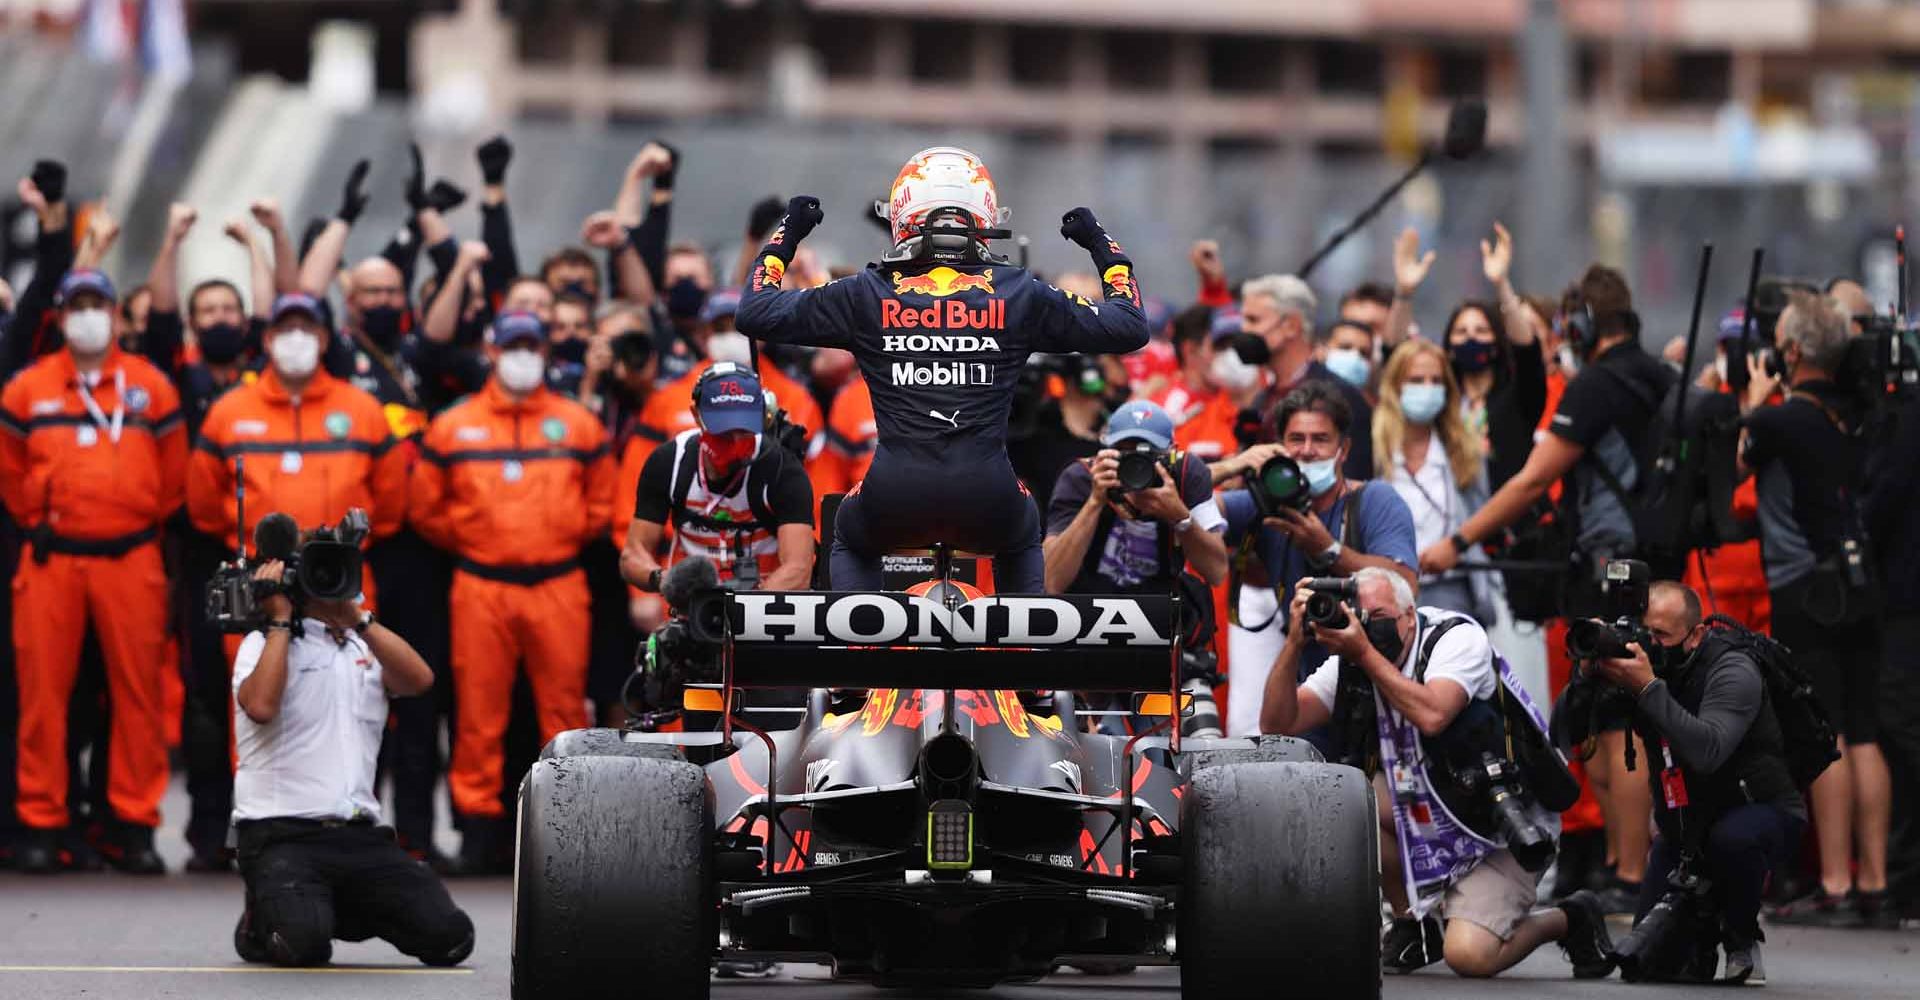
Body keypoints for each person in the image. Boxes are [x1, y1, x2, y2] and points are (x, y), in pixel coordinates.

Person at [735, 147, 1149, 594]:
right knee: (1024, 532)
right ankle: (1022, 653)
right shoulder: (1019, 291)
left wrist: (787, 233)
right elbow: (1129, 324)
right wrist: (1098, 241)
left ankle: (860, 654)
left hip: (894, 494)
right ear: (986, 215)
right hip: (989, 497)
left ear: (901, 215)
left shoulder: (866, 291)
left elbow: (755, 311)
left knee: (849, 536)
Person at [1422, 264, 1670, 911]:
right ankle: (1628, 865)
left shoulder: (1593, 386)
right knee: (1632, 721)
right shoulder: (1660, 377)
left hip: (1606, 568)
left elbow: (1533, 481)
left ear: (1585, 323)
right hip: (1654, 565)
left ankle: (1625, 870)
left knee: (1614, 729)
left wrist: (1458, 540)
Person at [1258, 568, 1615, 980]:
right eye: (1362, 616)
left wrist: (1365, 654)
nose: (1369, 628)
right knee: (1341, 798)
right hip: (1427, 805)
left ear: (1409, 615)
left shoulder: (1454, 638)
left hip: (1502, 824)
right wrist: (1293, 642)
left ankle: (1569, 917)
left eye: (1380, 617)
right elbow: (1279, 722)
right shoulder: (1352, 660)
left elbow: (1433, 714)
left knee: (1469, 956)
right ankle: (1416, 923)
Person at [410, 311, 615, 874]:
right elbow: (425, 508)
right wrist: (477, 541)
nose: (523, 354)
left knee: (564, 713)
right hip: (481, 584)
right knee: (478, 714)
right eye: (513, 344)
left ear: (545, 351)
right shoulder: (454, 426)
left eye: (532, 344)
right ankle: (478, 831)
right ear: (493, 351)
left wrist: (563, 535)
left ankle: (572, 831)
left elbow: (602, 503)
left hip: (558, 583)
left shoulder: (577, 424)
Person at [1, 268, 185, 874]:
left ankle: (133, 822)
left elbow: (174, 478)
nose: (87, 315)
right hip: (52, 558)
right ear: (58, 316)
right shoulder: (28, 390)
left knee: (138, 695)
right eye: (76, 304)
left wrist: (128, 518)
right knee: (42, 696)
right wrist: (42, 518)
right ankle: (41, 820)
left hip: (131, 557)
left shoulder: (150, 388)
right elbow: (8, 471)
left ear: (112, 314)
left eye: (97, 304)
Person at [228, 556, 473, 969]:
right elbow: (261, 705)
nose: (331, 588)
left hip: (358, 837)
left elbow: (420, 681)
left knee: (451, 939)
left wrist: (360, 620)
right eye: (319, 578)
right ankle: (262, 918)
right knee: (304, 948)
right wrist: (281, 620)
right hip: (281, 836)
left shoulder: (366, 646)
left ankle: (312, 904)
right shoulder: (263, 643)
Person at [1737, 291, 1893, 928]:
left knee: (1825, 732)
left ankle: (1832, 880)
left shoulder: (1781, 419)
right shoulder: (1861, 414)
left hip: (1806, 589)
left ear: (1793, 351)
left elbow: (1740, 457)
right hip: (1860, 584)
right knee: (1864, 731)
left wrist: (1750, 399)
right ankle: (1874, 882)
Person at [1589, 581, 1807, 984]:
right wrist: (1586, 676)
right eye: (1644, 631)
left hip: (1759, 811)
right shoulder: (1637, 663)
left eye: (1661, 636)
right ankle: (1700, 933)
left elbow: (1708, 752)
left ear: (1697, 635)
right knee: (1647, 967)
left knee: (1732, 840)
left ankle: (1740, 935)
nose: (1649, 644)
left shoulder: (1732, 668)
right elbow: (1561, 734)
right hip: (1685, 831)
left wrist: (1649, 688)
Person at [1212, 381, 1417, 737]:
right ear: (1279, 446)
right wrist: (1234, 465)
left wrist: (1327, 549)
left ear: (1344, 449)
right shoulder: (1270, 506)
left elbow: (1405, 583)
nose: (1307, 451)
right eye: (1296, 439)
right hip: (1309, 683)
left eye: (1320, 440)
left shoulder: (1376, 499)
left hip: (1379, 681)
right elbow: (1190, 504)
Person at [620, 362, 816, 598]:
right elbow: (632, 554)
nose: (734, 441)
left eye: (744, 429)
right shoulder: (669, 463)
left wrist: (743, 612)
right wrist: (664, 579)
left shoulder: (781, 470)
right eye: (722, 432)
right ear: (696, 416)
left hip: (763, 612)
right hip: (691, 609)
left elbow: (799, 568)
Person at [1372, 339, 1501, 624]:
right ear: (1395, 386)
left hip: (1451, 590)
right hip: (1383, 591)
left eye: (1435, 380)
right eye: (1417, 380)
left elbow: (1484, 518)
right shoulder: (1374, 450)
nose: (1427, 388)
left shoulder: (1465, 451)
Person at [1042, 401, 1229, 596]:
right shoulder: (1082, 478)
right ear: (1105, 450)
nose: (1137, 464)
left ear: (1172, 452)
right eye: (1124, 452)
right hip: (1089, 610)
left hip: (1160, 611)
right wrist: (1094, 502)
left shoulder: (1185, 475)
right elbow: (1051, 582)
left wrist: (1180, 518)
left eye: (1148, 453)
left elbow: (1217, 573)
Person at [1238, 274, 1374, 481]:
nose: (1244, 330)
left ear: (1291, 325)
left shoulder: (1341, 397)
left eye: (1253, 320)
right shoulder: (1262, 400)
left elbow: (1354, 482)